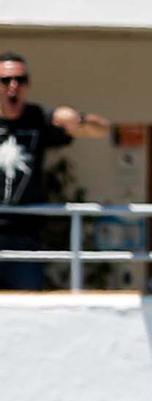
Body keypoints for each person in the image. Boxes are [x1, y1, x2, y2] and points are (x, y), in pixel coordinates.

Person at [0, 52, 109, 292]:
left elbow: (101, 130)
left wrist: (78, 119)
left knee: (27, 312)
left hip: (24, 236)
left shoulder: (37, 118)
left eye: (20, 80)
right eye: (6, 80)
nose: (13, 87)